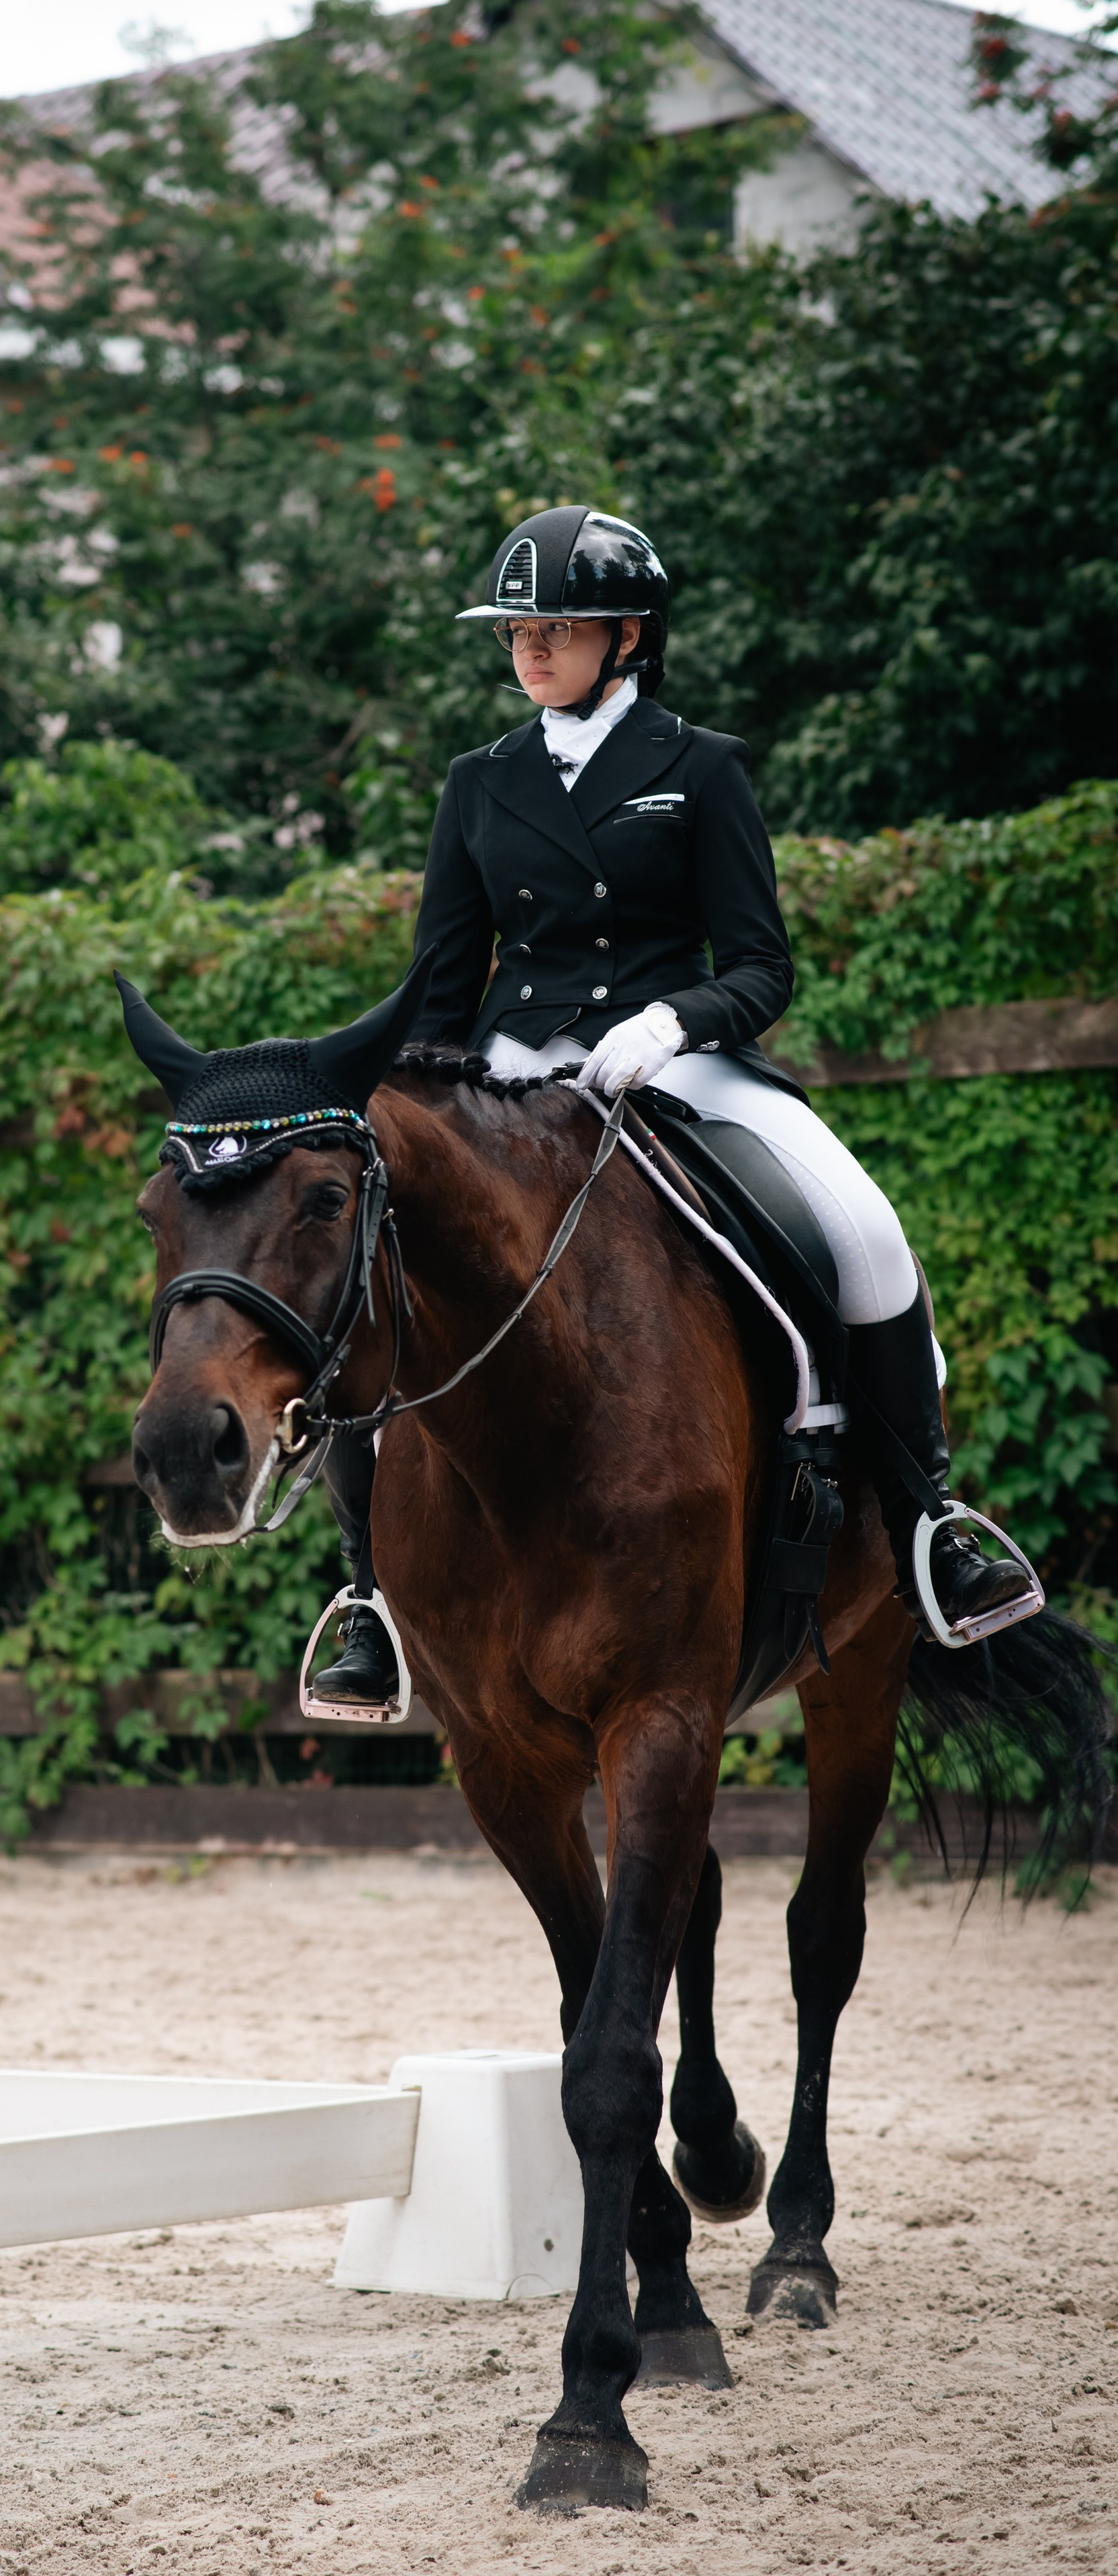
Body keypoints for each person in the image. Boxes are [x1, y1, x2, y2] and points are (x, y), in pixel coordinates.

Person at [310, 504, 1037, 1712]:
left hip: (669, 1057)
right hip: (511, 1074)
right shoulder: (477, 783)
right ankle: (369, 1601)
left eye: (556, 626)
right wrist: (402, 1091)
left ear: (629, 634)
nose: (529, 649)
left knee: (863, 1233)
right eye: (514, 631)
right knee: (378, 1272)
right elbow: (442, 985)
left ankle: (932, 1525)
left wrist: (672, 1024)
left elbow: (763, 966)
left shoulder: (701, 767)